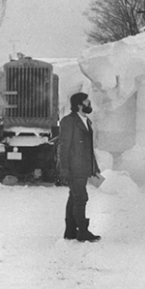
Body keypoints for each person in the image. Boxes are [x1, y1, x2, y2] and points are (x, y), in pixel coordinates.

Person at [58, 92, 101, 242]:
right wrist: (64, 169)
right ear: (79, 105)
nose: (89, 104)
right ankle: (82, 231)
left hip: (84, 167)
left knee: (74, 197)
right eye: (87, 102)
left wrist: (94, 167)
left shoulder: (86, 121)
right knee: (81, 198)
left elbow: (88, 148)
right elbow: (64, 147)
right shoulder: (69, 121)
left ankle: (70, 231)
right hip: (74, 167)